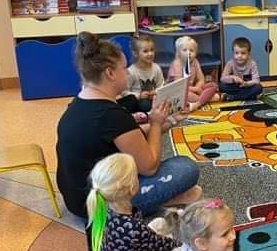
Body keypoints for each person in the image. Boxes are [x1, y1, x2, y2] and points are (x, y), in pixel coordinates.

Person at [56, 32, 200, 219]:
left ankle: (159, 199)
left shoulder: (79, 103)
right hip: (99, 207)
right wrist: (156, 124)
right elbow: (149, 167)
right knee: (186, 168)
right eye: (124, 68)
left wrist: (170, 120)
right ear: (110, 73)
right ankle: (155, 201)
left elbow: (131, 136)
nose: (127, 73)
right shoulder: (112, 115)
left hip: (75, 199)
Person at [86, 153, 182, 251]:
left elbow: (145, 237)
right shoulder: (134, 228)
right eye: (136, 176)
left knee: (159, 222)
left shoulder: (104, 211)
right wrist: (181, 245)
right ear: (132, 188)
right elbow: (163, 246)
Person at [167, 35, 219, 110]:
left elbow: (201, 79)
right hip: (178, 91)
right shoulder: (177, 64)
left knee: (213, 85)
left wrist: (197, 87)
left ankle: (201, 99)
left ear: (195, 53)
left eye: (191, 50)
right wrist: (195, 90)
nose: (188, 53)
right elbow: (179, 85)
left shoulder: (195, 61)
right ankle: (205, 99)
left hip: (193, 88)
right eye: (184, 50)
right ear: (178, 53)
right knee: (185, 95)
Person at [118, 34, 165, 115]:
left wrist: (156, 92)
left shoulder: (156, 68)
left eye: (152, 50)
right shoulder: (131, 71)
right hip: (138, 101)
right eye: (145, 51)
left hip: (154, 98)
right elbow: (124, 92)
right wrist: (139, 95)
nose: (150, 54)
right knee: (145, 105)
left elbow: (161, 85)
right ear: (135, 54)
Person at [220, 37, 263, 101]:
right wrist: (233, 78)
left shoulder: (252, 64)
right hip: (235, 87)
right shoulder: (230, 63)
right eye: (236, 53)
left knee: (258, 88)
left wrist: (246, 84)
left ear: (248, 54)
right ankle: (248, 96)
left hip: (247, 87)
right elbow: (222, 79)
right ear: (233, 53)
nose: (239, 56)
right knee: (222, 86)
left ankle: (234, 97)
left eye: (243, 53)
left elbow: (256, 80)